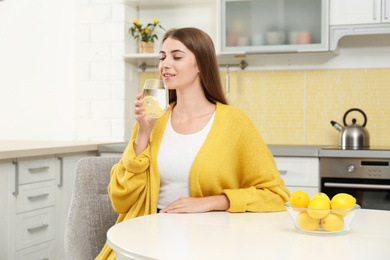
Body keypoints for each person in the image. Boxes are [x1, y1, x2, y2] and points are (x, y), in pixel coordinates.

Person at [95, 27, 290, 260]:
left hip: (210, 242)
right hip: (148, 239)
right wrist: (143, 133)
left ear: (201, 64)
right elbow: (120, 199)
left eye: (177, 56)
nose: (165, 64)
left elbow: (276, 195)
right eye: (162, 57)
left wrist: (212, 202)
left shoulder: (234, 122)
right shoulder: (152, 120)